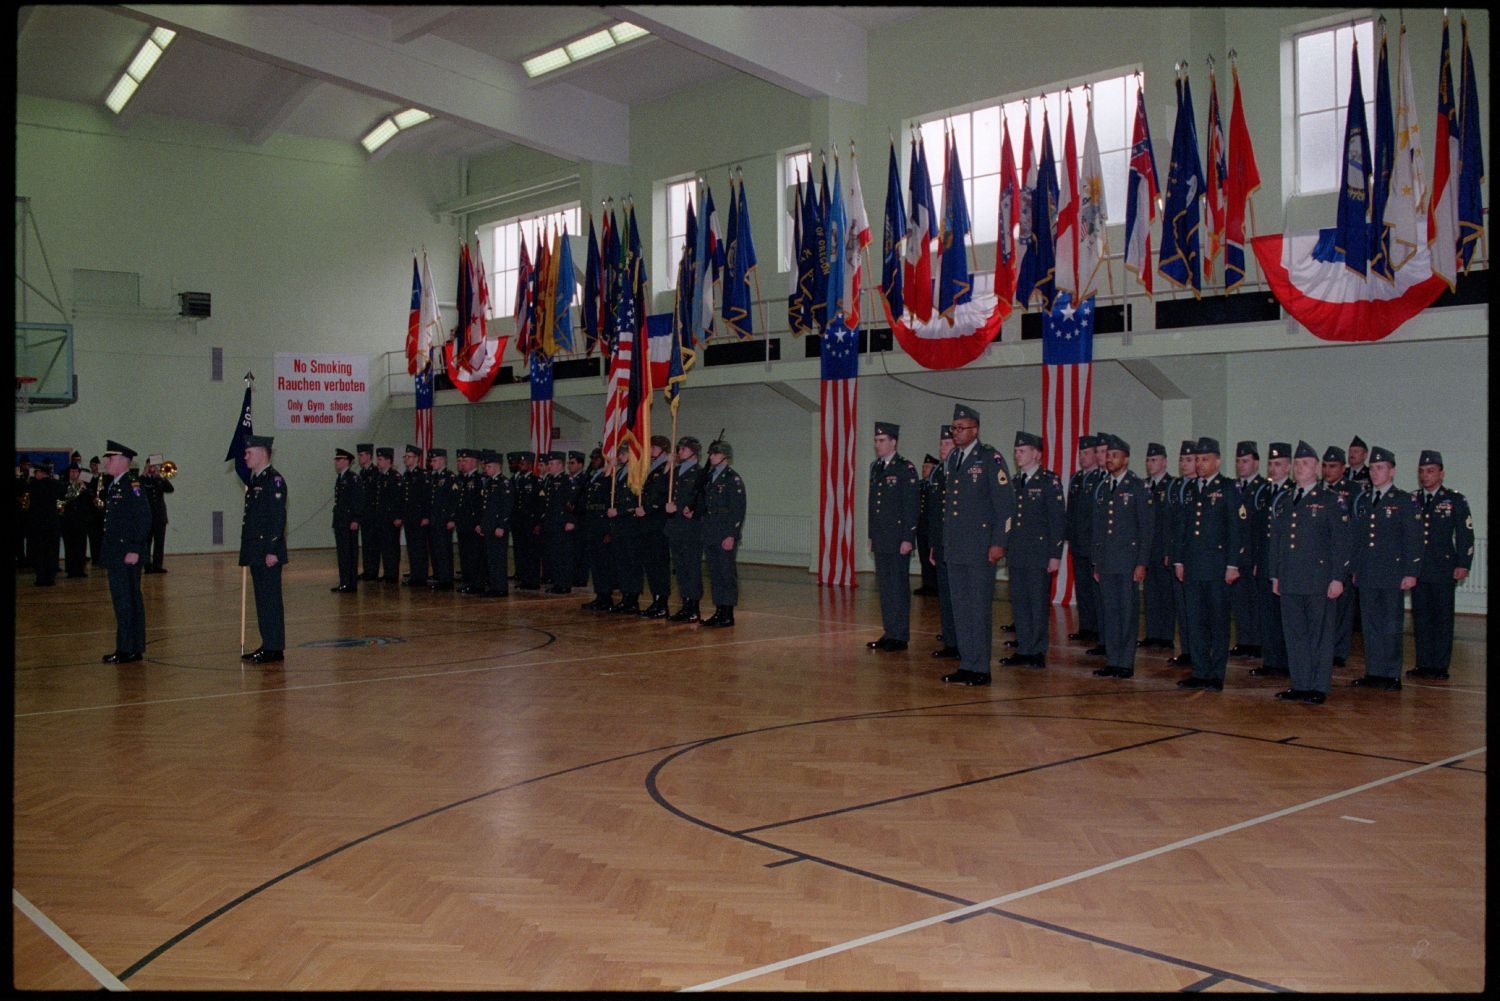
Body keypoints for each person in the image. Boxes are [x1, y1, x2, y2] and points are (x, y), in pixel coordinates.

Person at [1267, 441, 1351, 704]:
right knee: (1295, 634)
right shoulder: (1285, 499)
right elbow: (1277, 541)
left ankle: (1318, 686)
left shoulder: (1329, 500)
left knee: (1319, 635)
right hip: (1290, 578)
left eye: (1305, 463)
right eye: (1297, 463)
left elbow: (1341, 542)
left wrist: (1338, 577)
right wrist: (1275, 574)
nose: (1300, 468)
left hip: (1318, 579)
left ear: (1316, 468)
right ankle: (1300, 683)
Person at [939, 404, 1014, 686]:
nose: (956, 433)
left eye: (961, 428)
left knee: (978, 609)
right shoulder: (954, 459)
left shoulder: (989, 458)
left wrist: (999, 543)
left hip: (981, 548)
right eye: (953, 428)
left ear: (975, 430)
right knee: (960, 608)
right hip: (957, 547)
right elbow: (951, 508)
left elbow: (1005, 506)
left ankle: (980, 668)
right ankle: (967, 663)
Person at [1174, 437, 1247, 692]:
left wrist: (1232, 565)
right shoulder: (1193, 488)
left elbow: (1237, 530)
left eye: (1205, 459)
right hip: (1193, 566)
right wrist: (1180, 560)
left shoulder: (1228, 488)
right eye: (1197, 459)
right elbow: (1184, 528)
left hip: (1217, 568)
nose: (1200, 464)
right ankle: (1200, 670)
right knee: (1195, 621)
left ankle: (1216, 674)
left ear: (1217, 460)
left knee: (1217, 622)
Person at [1350, 446, 1422, 692]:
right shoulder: (1364, 498)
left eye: (1380, 468)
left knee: (1390, 623)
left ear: (1392, 471)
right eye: (1372, 468)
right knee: (1370, 624)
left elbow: (1413, 538)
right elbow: (1359, 538)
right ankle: (1374, 671)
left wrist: (1411, 571)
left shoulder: (1403, 500)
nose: (1375, 472)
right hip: (1368, 572)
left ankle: (1391, 674)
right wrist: (1356, 568)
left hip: (1392, 573)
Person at [1088, 436, 1153, 679]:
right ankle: (1113, 660)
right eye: (1108, 455)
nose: (1109, 459)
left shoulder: (1137, 486)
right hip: (1106, 561)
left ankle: (1125, 662)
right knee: (1110, 612)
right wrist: (1096, 561)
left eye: (1114, 455)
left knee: (1126, 612)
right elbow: (1098, 527)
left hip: (1127, 561)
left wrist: (1141, 562)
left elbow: (1146, 528)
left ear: (1125, 458)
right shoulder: (1103, 487)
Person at [1000, 430, 1065, 669]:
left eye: (1022, 451)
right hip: (1017, 552)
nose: (1017, 455)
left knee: (1037, 603)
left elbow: (1057, 521)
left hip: (1038, 553)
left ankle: (1037, 650)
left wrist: (1054, 555)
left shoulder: (1049, 481)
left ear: (1036, 454)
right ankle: (1024, 647)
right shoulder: (1014, 482)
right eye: (1016, 451)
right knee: (1019, 603)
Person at [1408, 450, 1474, 681]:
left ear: (1441, 473)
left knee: (1442, 618)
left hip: (1444, 567)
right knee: (1421, 618)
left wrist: (1463, 563)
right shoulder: (1413, 499)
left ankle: (1440, 666)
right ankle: (1423, 663)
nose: (1425, 476)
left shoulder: (1454, 500)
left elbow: (1465, 534)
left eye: (1430, 471)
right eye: (1422, 471)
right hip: (1419, 569)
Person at [866, 421, 920, 652]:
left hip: (898, 538)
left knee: (898, 587)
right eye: (876, 441)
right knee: (885, 587)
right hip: (881, 537)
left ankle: (900, 635)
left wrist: (908, 537)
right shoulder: (876, 467)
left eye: (882, 441)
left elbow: (911, 506)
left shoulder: (904, 468)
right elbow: (873, 504)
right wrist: (871, 534)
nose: (877, 445)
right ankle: (890, 632)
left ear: (893, 442)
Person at [99, 441, 151, 662]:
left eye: (110, 458)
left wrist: (134, 549)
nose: (106, 462)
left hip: (125, 553)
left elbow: (144, 518)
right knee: (128, 600)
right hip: (117, 551)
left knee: (125, 601)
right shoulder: (117, 485)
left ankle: (126, 648)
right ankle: (133, 647)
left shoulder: (131, 485)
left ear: (122, 461)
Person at [239, 435, 288, 665]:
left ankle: (274, 647)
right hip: (256, 551)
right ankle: (267, 644)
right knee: (262, 600)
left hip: (268, 553)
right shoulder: (256, 481)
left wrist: (272, 550)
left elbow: (278, 519)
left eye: (249, 452)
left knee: (270, 601)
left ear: (261, 453)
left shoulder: (274, 481)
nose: (245, 456)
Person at [1249, 443, 1294, 680]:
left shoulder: (1292, 493)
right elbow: (1259, 530)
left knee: (1283, 615)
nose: (1273, 469)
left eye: (1278, 464)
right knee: (1266, 614)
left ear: (1288, 466)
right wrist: (1257, 559)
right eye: (1270, 464)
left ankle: (1286, 661)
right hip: (1265, 560)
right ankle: (1272, 659)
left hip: (1284, 564)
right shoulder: (1265, 492)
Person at [698, 437, 746, 628]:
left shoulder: (732, 479)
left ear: (725, 457)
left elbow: (738, 509)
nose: (711, 457)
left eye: (715, 454)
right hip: (710, 530)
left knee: (726, 573)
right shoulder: (709, 477)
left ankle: (727, 613)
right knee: (714, 573)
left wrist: (731, 535)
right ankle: (719, 610)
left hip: (724, 531)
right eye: (710, 453)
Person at [1320, 445, 1361, 668]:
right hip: (1321, 561)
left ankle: (1339, 651)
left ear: (1343, 468)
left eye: (1333, 466)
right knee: (1324, 608)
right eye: (1325, 466)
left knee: (1343, 610)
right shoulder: (1317, 489)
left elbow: (1356, 530)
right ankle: (1325, 648)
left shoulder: (1353, 491)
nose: (1328, 471)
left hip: (1343, 559)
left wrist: (1353, 564)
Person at [1228, 441, 1268, 657]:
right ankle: (1244, 641)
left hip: (1254, 554)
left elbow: (1261, 527)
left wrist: (1257, 557)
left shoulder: (1263, 488)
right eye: (1237, 461)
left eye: (1245, 461)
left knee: (1256, 601)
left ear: (1256, 462)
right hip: (1237, 555)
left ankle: (1257, 642)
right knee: (1240, 601)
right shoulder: (1232, 488)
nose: (1240, 465)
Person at [1065, 434, 1104, 647]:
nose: (1082, 457)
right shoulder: (1076, 478)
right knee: (1082, 586)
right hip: (1078, 542)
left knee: (1095, 586)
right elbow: (1071, 509)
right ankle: (1086, 627)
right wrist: (1069, 536)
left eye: (1086, 453)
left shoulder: (1100, 479)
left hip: (1093, 542)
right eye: (1080, 453)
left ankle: (1098, 628)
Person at [664, 436, 705, 622]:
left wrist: (680, 508)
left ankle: (694, 607)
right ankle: (685, 604)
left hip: (691, 528)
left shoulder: (700, 474)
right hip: (675, 526)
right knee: (680, 568)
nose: (679, 452)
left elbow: (702, 502)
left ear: (693, 452)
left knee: (691, 567)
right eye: (679, 449)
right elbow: (659, 489)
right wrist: (668, 466)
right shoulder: (675, 471)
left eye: (682, 449)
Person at [1165, 441, 1198, 668]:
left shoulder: (1202, 487)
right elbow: (1170, 523)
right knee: (1183, 606)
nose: (1184, 464)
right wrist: (1170, 552)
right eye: (1182, 460)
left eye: (1189, 460)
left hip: (1196, 556)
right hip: (1177, 554)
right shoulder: (1175, 487)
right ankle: (1187, 649)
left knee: (1196, 608)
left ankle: (1198, 651)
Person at [1139, 443, 1175, 649]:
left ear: (1164, 462)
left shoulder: (1171, 486)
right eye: (1148, 460)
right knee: (1150, 593)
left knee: (1165, 593)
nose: (1150, 464)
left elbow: (1170, 522)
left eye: (1154, 460)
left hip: (1163, 548)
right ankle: (1152, 633)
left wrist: (1169, 550)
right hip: (1148, 548)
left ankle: (1165, 636)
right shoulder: (1143, 486)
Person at [929, 425, 960, 660]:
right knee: (946, 594)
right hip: (940, 543)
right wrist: (932, 543)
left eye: (946, 443)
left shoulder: (961, 470)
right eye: (941, 443)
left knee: (959, 596)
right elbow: (933, 511)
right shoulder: (938, 473)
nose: (942, 448)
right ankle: (950, 640)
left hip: (958, 544)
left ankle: (961, 641)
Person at [606, 443, 644, 614]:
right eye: (620, 453)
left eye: (623, 453)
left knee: (632, 562)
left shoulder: (636, 473)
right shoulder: (620, 472)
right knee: (621, 562)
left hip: (630, 524)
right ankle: (625, 595)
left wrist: (620, 511)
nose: (620, 456)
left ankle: (633, 598)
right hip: (619, 525)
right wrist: (610, 468)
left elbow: (636, 501)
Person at [580, 447, 619, 612]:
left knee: (604, 565)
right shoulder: (594, 477)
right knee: (595, 565)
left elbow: (609, 502)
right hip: (593, 527)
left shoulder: (610, 478)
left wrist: (609, 531)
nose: (593, 461)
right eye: (593, 459)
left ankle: (606, 597)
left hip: (603, 528)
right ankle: (600, 596)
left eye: (596, 459)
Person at [25, 460, 64, 586]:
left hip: (38, 524)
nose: (35, 474)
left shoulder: (34, 485)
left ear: (41, 473)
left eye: (36, 472)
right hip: (52, 523)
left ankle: (41, 577)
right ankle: (51, 577)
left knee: (39, 552)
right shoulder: (56, 484)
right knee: (52, 551)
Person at [398, 445, 431, 587]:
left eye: (409, 457)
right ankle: (415, 573)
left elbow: (426, 498)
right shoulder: (406, 475)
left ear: (417, 458)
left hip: (419, 517)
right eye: (405, 457)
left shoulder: (423, 475)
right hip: (409, 517)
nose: (406, 459)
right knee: (412, 547)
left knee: (420, 548)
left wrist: (425, 516)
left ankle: (421, 576)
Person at [455, 449, 488, 595]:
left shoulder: (479, 480)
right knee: (465, 555)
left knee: (475, 555)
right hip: (463, 524)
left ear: (474, 462)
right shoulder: (461, 479)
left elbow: (482, 504)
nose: (461, 464)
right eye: (460, 461)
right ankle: (468, 581)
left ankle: (477, 583)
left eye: (465, 461)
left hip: (474, 524)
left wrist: (479, 523)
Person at [480, 450, 512, 597]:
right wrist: (483, 524)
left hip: (498, 527)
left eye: (489, 466)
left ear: (497, 466)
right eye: (486, 467)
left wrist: (501, 526)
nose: (486, 469)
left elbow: (506, 507)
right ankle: (494, 586)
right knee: (490, 558)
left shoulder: (503, 482)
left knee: (498, 558)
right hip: (489, 526)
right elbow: (486, 507)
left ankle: (500, 588)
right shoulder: (490, 482)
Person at [330, 447, 363, 592]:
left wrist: (356, 519)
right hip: (341, 520)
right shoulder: (341, 477)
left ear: (346, 461)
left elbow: (357, 500)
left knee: (349, 553)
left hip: (349, 521)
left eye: (339, 459)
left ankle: (350, 583)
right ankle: (345, 581)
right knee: (343, 552)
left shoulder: (353, 478)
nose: (336, 462)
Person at [510, 451, 543, 591]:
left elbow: (540, 505)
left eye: (523, 463)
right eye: (520, 463)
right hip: (518, 523)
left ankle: (533, 581)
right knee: (520, 552)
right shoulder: (517, 481)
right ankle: (524, 579)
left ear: (530, 464)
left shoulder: (536, 482)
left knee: (532, 553)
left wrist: (538, 524)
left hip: (531, 523)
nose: (520, 466)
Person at [426, 448, 458, 591]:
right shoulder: (434, 477)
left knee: (444, 550)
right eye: (431, 461)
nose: (432, 463)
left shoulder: (449, 477)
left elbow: (453, 500)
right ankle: (439, 576)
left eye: (435, 460)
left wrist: (451, 518)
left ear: (443, 460)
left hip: (444, 519)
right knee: (435, 550)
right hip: (434, 519)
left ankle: (446, 580)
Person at [140, 455, 174, 573]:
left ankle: (157, 566)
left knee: (159, 543)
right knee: (147, 543)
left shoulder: (159, 479)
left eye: (154, 466)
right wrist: (144, 474)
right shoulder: (142, 480)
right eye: (150, 465)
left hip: (159, 516)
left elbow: (170, 489)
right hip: (147, 516)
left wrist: (161, 477)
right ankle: (147, 566)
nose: (152, 468)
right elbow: (136, 490)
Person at [373, 447, 402, 583]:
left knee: (392, 547)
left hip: (391, 519)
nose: (378, 462)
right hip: (381, 518)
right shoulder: (380, 476)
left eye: (380, 459)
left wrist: (397, 516)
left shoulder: (394, 477)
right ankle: (387, 572)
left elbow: (398, 499)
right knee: (384, 547)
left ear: (388, 460)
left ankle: (392, 574)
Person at [914, 453, 940, 596]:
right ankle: (927, 584)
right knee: (924, 556)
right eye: (923, 466)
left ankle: (935, 585)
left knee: (933, 557)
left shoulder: (936, 485)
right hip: (921, 526)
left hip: (932, 527)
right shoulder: (919, 485)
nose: (924, 469)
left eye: (927, 467)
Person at [61, 462, 92, 578]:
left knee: (81, 545)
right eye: (72, 472)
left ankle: (80, 569)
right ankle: (70, 570)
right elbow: (63, 498)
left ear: (79, 473)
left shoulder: (83, 485)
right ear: (69, 473)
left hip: (80, 521)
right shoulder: (64, 485)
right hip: (68, 520)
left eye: (76, 472)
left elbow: (90, 499)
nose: (74, 474)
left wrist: (84, 488)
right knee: (69, 546)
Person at [355, 444, 379, 580]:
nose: (360, 457)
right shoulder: (362, 473)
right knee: (366, 543)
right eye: (359, 455)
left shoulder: (375, 472)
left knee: (372, 544)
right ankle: (367, 569)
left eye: (362, 455)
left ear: (369, 456)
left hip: (372, 514)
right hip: (364, 514)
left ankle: (373, 571)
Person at [85, 455, 107, 565]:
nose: (94, 467)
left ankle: (103, 558)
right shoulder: (87, 477)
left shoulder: (104, 478)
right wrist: (92, 497)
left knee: (103, 537)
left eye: (96, 465)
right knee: (93, 537)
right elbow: (84, 490)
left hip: (102, 511)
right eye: (93, 465)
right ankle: (95, 559)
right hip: (91, 512)